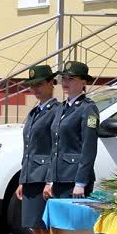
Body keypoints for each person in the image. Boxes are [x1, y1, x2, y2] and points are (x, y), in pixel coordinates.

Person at [16, 65, 59, 234]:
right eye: (32, 86)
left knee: (45, 230)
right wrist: (23, 179)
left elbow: (54, 149)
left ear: (52, 84)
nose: (36, 89)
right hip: (32, 175)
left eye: (40, 84)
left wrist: (50, 179)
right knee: (36, 229)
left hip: (44, 176)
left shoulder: (56, 111)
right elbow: (27, 149)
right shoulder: (35, 112)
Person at [44, 61, 99, 202]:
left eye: (71, 79)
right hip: (59, 178)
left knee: (72, 224)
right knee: (56, 223)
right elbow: (54, 147)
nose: (65, 82)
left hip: (74, 180)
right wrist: (50, 180)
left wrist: (81, 182)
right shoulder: (61, 108)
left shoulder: (88, 108)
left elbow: (89, 148)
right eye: (64, 78)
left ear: (83, 81)